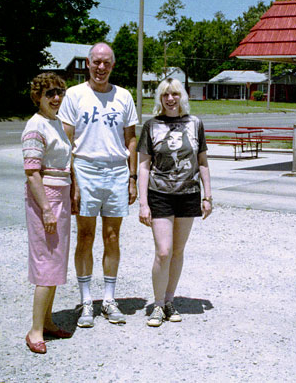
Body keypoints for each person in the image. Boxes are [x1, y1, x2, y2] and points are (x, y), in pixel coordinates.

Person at [58, 42, 138, 328]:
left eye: (106, 63)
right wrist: (72, 180)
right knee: (85, 237)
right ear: (88, 64)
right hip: (85, 170)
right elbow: (67, 141)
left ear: (113, 65)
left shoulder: (124, 96)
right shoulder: (74, 95)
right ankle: (86, 301)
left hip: (116, 171)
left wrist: (132, 178)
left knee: (113, 236)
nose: (101, 67)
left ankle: (109, 298)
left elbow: (131, 139)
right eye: (96, 62)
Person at [137, 77, 212, 327]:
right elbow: (144, 166)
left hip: (189, 194)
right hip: (160, 194)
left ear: (182, 97)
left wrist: (208, 196)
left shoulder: (195, 124)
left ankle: (169, 301)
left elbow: (202, 161)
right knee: (163, 251)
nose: (170, 99)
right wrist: (143, 203)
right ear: (160, 99)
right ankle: (157, 305)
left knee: (178, 251)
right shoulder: (151, 126)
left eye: (175, 94)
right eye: (166, 95)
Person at [21, 72, 73, 354]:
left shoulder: (55, 124)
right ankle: (35, 330)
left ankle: (49, 321)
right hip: (45, 201)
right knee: (45, 264)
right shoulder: (35, 126)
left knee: (56, 262)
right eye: (49, 93)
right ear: (38, 97)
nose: (55, 98)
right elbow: (32, 173)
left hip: (61, 198)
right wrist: (46, 210)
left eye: (59, 93)